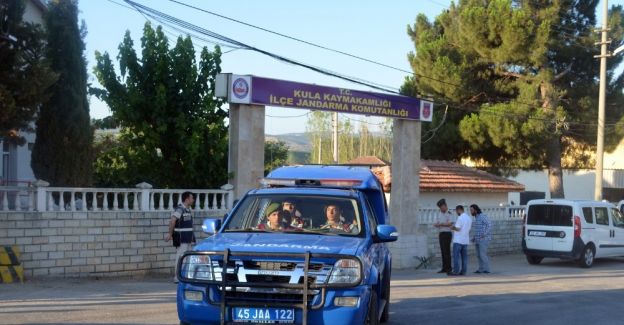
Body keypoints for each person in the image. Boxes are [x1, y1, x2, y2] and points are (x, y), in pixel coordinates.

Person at [165, 191, 196, 283]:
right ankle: (177, 277)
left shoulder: (188, 209)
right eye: (192, 198)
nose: (193, 200)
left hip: (188, 239)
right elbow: (172, 221)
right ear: (187, 199)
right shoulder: (180, 209)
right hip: (181, 238)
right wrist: (170, 234)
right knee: (180, 257)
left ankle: (185, 276)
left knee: (188, 258)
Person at [448, 205, 472, 276]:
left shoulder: (460, 218)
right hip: (465, 240)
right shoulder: (469, 218)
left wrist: (452, 227)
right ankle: (463, 271)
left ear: (459, 210)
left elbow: (458, 228)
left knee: (456, 257)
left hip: (458, 240)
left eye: (456, 211)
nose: (456, 212)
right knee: (464, 257)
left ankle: (455, 271)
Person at [433, 198, 454, 274]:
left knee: (447, 252)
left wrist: (441, 224)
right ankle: (444, 268)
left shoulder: (449, 213)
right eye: (440, 208)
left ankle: (449, 268)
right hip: (441, 234)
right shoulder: (439, 213)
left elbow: (450, 224)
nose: (441, 209)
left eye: (441, 207)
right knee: (443, 251)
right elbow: (436, 222)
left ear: (445, 206)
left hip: (447, 234)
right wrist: (436, 224)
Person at [471, 204, 492, 274]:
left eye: (472, 210)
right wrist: (474, 237)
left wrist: (485, 234)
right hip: (477, 240)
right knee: (478, 255)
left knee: (482, 254)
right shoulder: (476, 218)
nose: (471, 211)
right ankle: (481, 269)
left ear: (476, 210)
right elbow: (478, 229)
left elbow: (489, 225)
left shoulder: (482, 216)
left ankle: (487, 269)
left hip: (484, 239)